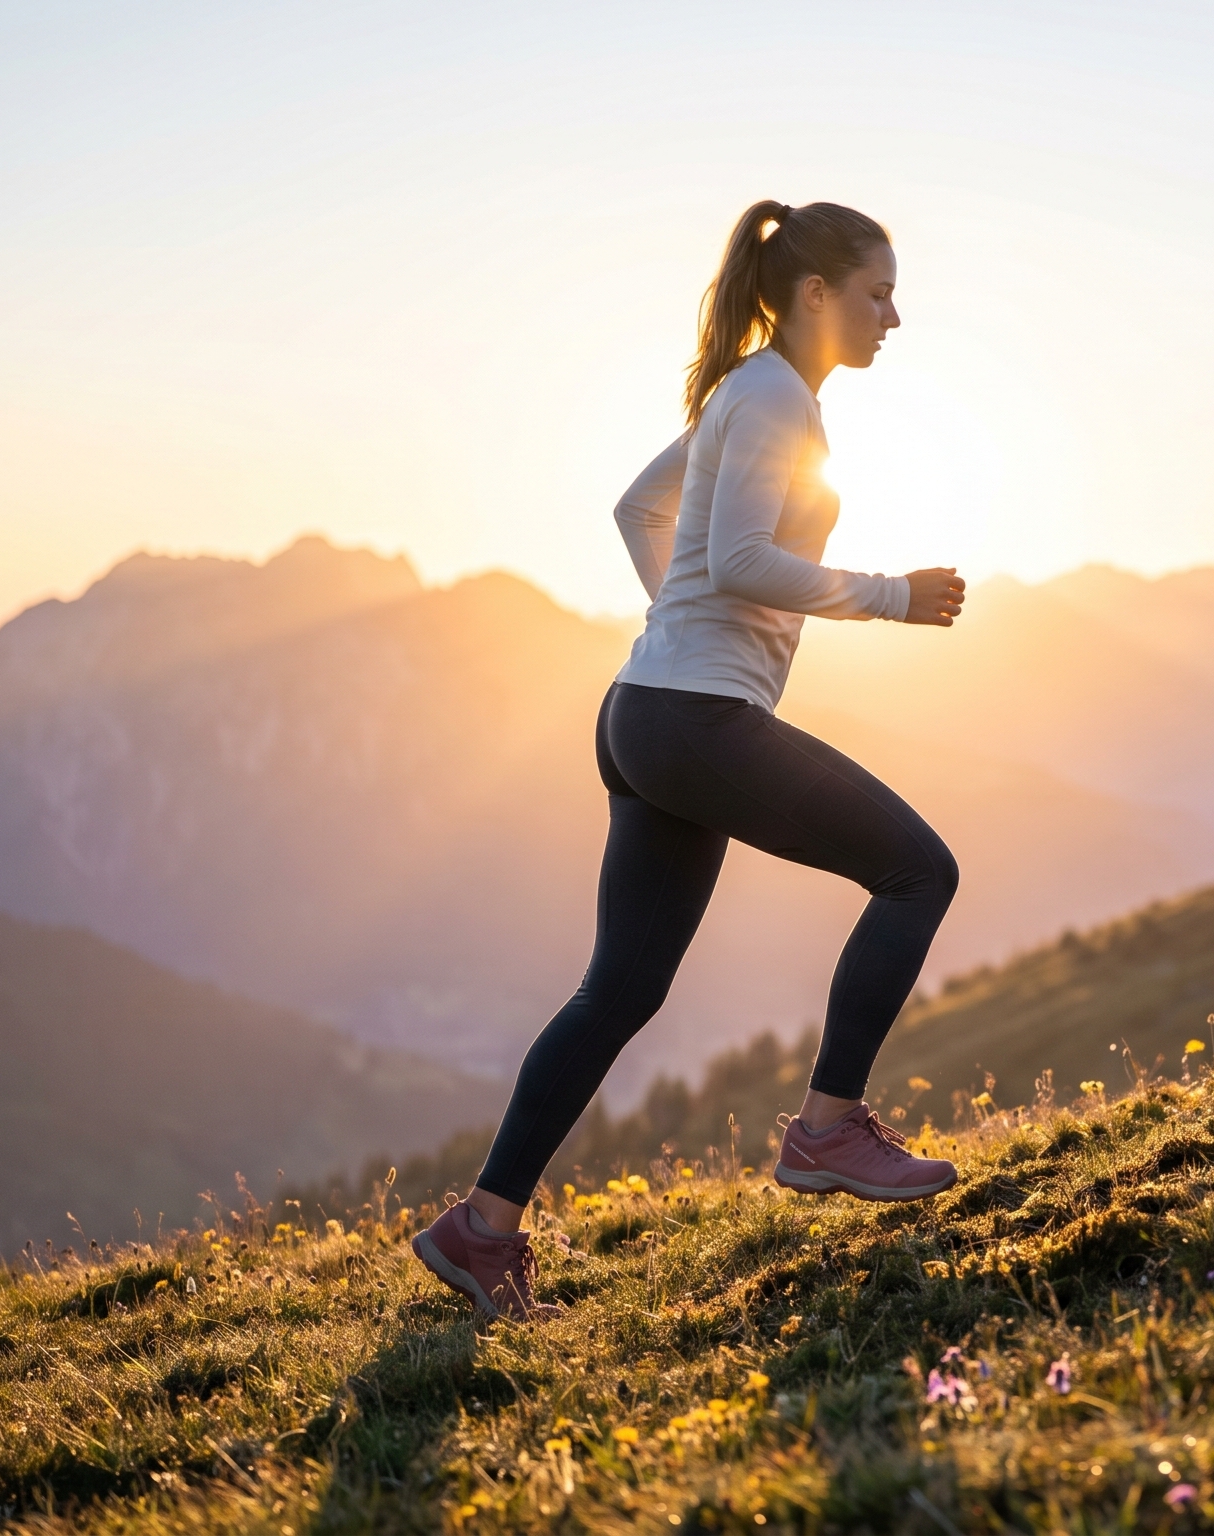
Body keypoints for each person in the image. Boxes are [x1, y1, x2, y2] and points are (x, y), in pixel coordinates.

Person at [414, 200, 967, 1321]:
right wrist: (889, 599)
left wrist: (680, 625)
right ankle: (827, 1131)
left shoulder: (751, 392)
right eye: (877, 292)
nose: (893, 316)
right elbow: (742, 557)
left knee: (618, 989)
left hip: (646, 711)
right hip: (693, 722)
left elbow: (639, 509)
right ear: (816, 293)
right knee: (919, 872)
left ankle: (481, 1230)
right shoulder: (773, 399)